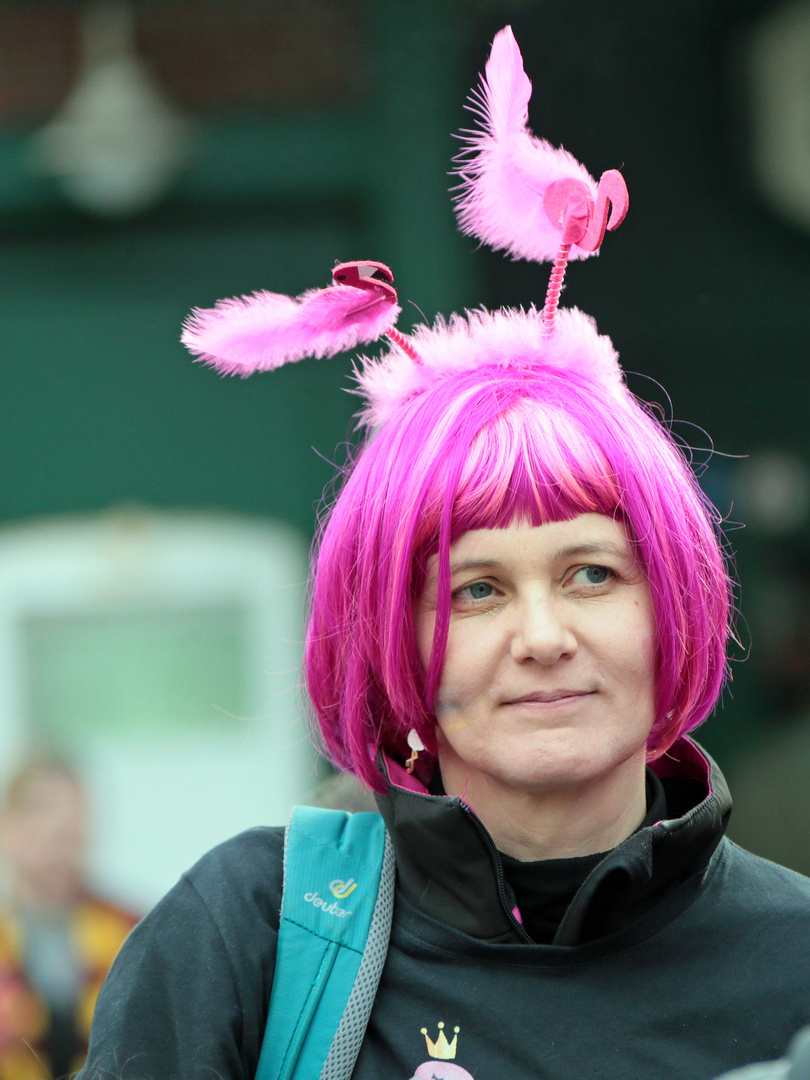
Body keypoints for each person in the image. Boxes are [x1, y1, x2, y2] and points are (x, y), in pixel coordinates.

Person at [78, 26, 810, 1080]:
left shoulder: (793, 968)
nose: (543, 637)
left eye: (591, 573)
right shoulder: (246, 939)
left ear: (672, 607)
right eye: (474, 589)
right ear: (388, 640)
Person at [0, 760, 138, 1080]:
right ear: (8, 826)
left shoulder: (130, 931)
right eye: (45, 828)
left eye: (70, 834)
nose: (59, 851)